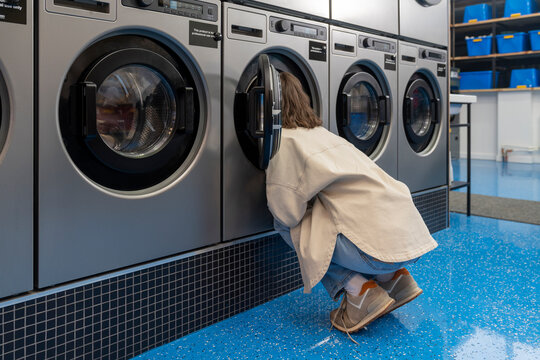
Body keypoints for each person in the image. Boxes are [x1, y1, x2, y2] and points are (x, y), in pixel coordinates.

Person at [266, 72, 438, 338]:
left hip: (375, 252)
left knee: (285, 223)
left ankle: (358, 292)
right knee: (332, 210)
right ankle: (394, 280)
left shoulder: (284, 142)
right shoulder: (323, 134)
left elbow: (287, 214)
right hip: (409, 239)